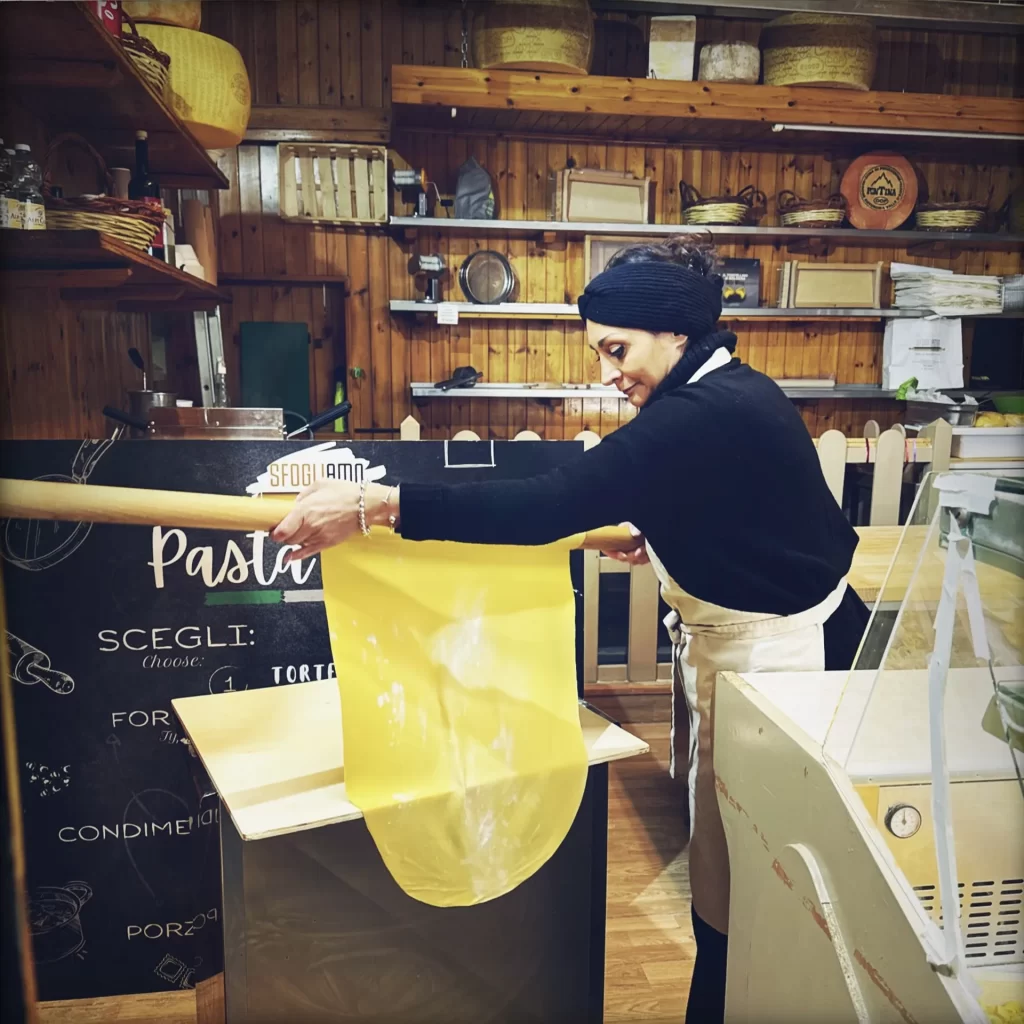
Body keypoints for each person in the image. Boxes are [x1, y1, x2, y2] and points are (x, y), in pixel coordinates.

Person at [271, 238, 870, 1024]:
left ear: (677, 335)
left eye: (617, 350)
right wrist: (666, 528)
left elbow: (548, 503)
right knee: (734, 884)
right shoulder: (728, 393)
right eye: (599, 353)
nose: (609, 373)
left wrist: (373, 507)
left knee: (762, 894)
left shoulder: (702, 413)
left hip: (796, 664)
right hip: (760, 649)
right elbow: (740, 511)